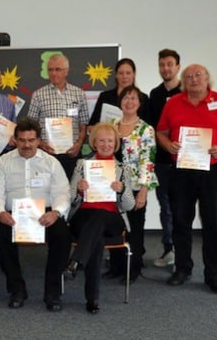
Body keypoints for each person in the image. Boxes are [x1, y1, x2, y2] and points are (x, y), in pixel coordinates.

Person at [157, 64, 217, 294]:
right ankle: (182, 268)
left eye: (198, 75)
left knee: (214, 223)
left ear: (207, 78)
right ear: (183, 81)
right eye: (188, 76)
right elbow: (161, 133)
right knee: (180, 221)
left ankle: (214, 274)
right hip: (182, 170)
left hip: (214, 171)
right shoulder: (173, 103)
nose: (193, 79)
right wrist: (169, 145)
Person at [0, 118, 71, 311]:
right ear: (15, 140)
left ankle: (52, 292)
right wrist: (0, 212)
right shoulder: (3, 162)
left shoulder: (51, 162)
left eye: (31, 140)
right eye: (22, 140)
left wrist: (56, 212)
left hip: (45, 214)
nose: (26, 145)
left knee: (62, 235)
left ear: (39, 140)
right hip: (13, 214)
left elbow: (63, 192)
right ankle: (17, 289)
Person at [63, 122, 135, 314]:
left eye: (110, 141)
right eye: (101, 140)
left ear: (116, 143)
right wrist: (79, 189)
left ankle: (76, 261)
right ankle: (92, 298)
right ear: (94, 142)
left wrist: (123, 190)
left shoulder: (122, 168)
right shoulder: (81, 165)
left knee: (101, 216)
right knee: (97, 237)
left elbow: (129, 206)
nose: (106, 144)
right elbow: (69, 200)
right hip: (83, 217)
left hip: (113, 218)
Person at [106, 86, 158, 283]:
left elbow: (148, 161)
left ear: (139, 103)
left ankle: (133, 269)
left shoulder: (146, 129)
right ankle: (115, 266)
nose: (129, 102)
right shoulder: (111, 124)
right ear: (120, 102)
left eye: (133, 98)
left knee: (134, 230)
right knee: (115, 227)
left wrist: (143, 191)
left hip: (136, 186)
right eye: (126, 98)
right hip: (113, 185)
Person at [27, 53, 89, 179]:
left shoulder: (79, 94)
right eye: (50, 69)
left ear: (66, 71)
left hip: (71, 154)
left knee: (70, 191)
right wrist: (41, 144)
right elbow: (30, 125)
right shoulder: (38, 95)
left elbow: (83, 124)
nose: (54, 73)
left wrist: (79, 144)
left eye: (58, 69)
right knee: (45, 190)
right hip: (46, 154)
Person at [148, 49, 181, 267]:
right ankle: (169, 249)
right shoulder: (155, 94)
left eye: (170, 64)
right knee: (166, 207)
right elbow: (152, 128)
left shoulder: (187, 92)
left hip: (186, 161)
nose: (165, 69)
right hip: (162, 161)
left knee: (182, 207)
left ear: (178, 66)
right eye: (162, 65)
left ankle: (183, 252)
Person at [88, 58, 150, 130]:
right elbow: (91, 126)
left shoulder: (143, 98)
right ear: (116, 75)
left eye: (128, 73)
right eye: (121, 73)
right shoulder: (105, 97)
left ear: (134, 74)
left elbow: (148, 126)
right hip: (109, 140)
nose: (124, 77)